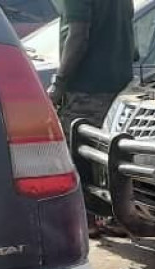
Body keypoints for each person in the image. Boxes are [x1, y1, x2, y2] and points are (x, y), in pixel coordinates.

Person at [48, 0, 134, 237]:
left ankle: (86, 220)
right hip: (119, 85)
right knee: (110, 155)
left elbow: (78, 35)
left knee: (78, 154)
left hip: (86, 87)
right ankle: (115, 217)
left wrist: (58, 84)